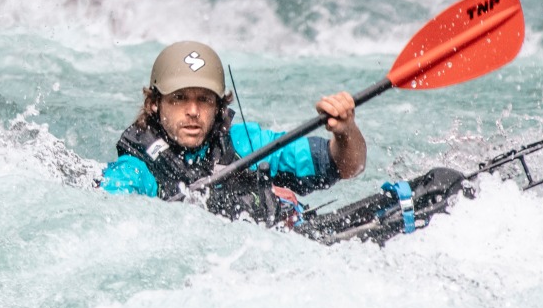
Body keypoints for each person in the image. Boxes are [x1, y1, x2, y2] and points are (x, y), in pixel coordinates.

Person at [101, 40, 366, 212]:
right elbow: (109, 212)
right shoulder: (138, 167)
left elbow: (347, 166)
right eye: (179, 98)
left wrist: (345, 132)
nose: (193, 111)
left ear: (218, 106)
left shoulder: (246, 143)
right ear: (155, 104)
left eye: (203, 99)